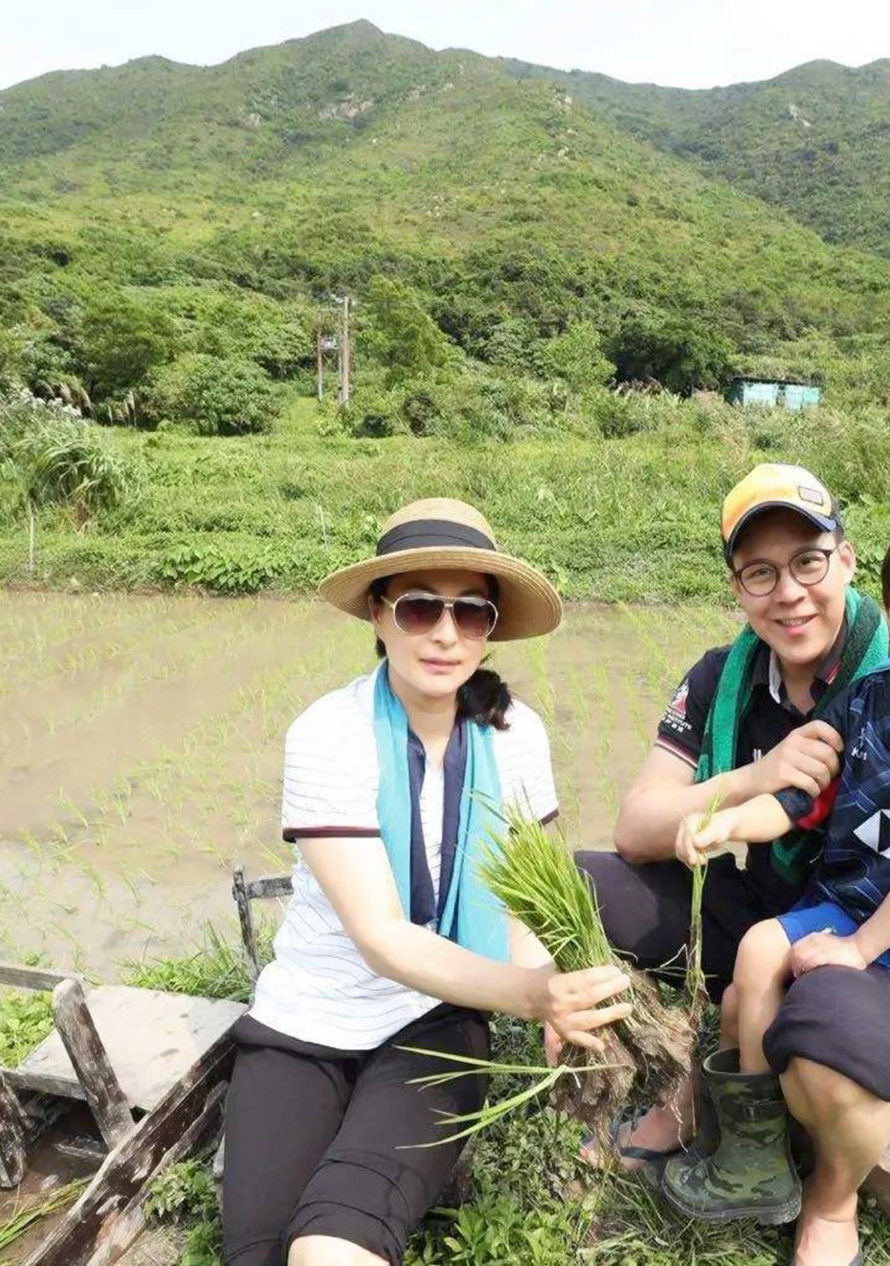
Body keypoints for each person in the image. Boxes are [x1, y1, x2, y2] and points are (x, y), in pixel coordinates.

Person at [572, 464, 890, 1266]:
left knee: (819, 1035)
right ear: (737, 585)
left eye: (807, 561)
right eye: (759, 572)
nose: (788, 592)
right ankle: (736, 1136)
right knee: (594, 883)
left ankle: (826, 1201)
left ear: (844, 560)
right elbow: (643, 826)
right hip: (782, 902)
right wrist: (740, 789)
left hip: (880, 930)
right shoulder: (726, 680)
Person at [219, 499, 634, 1266]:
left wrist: (552, 985)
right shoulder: (329, 733)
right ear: (378, 616)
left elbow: (529, 900)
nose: (445, 634)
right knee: (257, 1255)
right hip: (307, 1023)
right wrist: (531, 996)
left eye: (470, 613)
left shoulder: (516, 738)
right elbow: (379, 936)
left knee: (333, 1250)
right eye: (419, 608)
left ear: (491, 626)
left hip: (437, 1020)